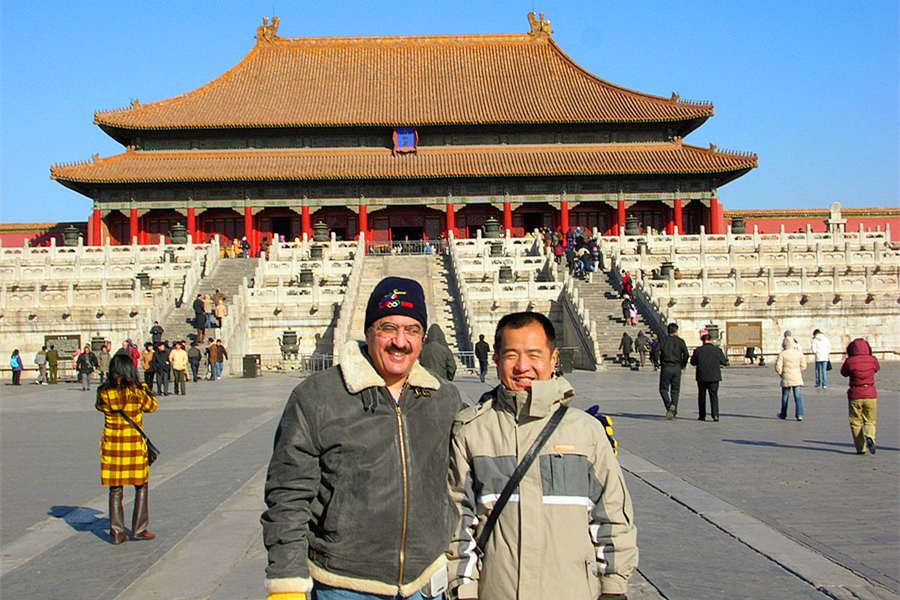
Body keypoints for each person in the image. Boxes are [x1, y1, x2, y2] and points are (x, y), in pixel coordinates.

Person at [261, 276, 464, 600]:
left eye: (412, 330)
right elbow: (288, 496)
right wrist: (287, 581)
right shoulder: (319, 396)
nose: (400, 341)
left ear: (423, 338)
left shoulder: (443, 398)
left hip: (426, 583)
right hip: (344, 585)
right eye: (388, 328)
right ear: (368, 332)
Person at [447, 311, 637, 600]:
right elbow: (458, 522)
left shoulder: (586, 432)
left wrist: (614, 587)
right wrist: (465, 590)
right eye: (511, 355)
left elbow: (611, 515)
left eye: (534, 354)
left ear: (553, 358)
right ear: (497, 359)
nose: (523, 366)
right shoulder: (472, 432)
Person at [95, 353, 158, 544]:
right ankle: (139, 528)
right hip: (133, 446)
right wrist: (143, 386)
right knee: (141, 486)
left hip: (112, 446)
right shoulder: (136, 392)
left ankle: (117, 532)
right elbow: (152, 406)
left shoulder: (104, 393)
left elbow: (99, 407)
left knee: (115, 489)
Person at [840, 338, 880, 455]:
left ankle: (860, 448)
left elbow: (843, 373)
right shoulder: (872, 360)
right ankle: (870, 436)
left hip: (855, 394)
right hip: (870, 393)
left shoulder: (849, 361)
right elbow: (877, 369)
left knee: (855, 421)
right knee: (870, 420)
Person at [690, 334, 729, 421]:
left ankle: (702, 415)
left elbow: (693, 362)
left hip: (702, 376)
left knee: (701, 396)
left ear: (702, 341)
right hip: (714, 376)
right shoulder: (717, 350)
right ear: (711, 340)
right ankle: (715, 415)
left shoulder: (698, 350)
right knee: (714, 396)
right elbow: (724, 362)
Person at [658, 322, 689, 420]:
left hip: (666, 366)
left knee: (663, 389)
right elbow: (686, 354)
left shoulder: (663, 340)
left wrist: (657, 363)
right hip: (677, 367)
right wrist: (683, 365)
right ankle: (674, 408)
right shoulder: (681, 341)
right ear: (676, 331)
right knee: (675, 390)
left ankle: (669, 405)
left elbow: (655, 351)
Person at [775, 337, 807, 421]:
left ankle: (783, 414)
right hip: (797, 377)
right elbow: (804, 365)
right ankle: (799, 414)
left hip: (786, 377)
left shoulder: (782, 354)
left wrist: (781, 374)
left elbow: (778, 367)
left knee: (785, 396)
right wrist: (798, 371)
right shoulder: (798, 353)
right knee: (798, 396)